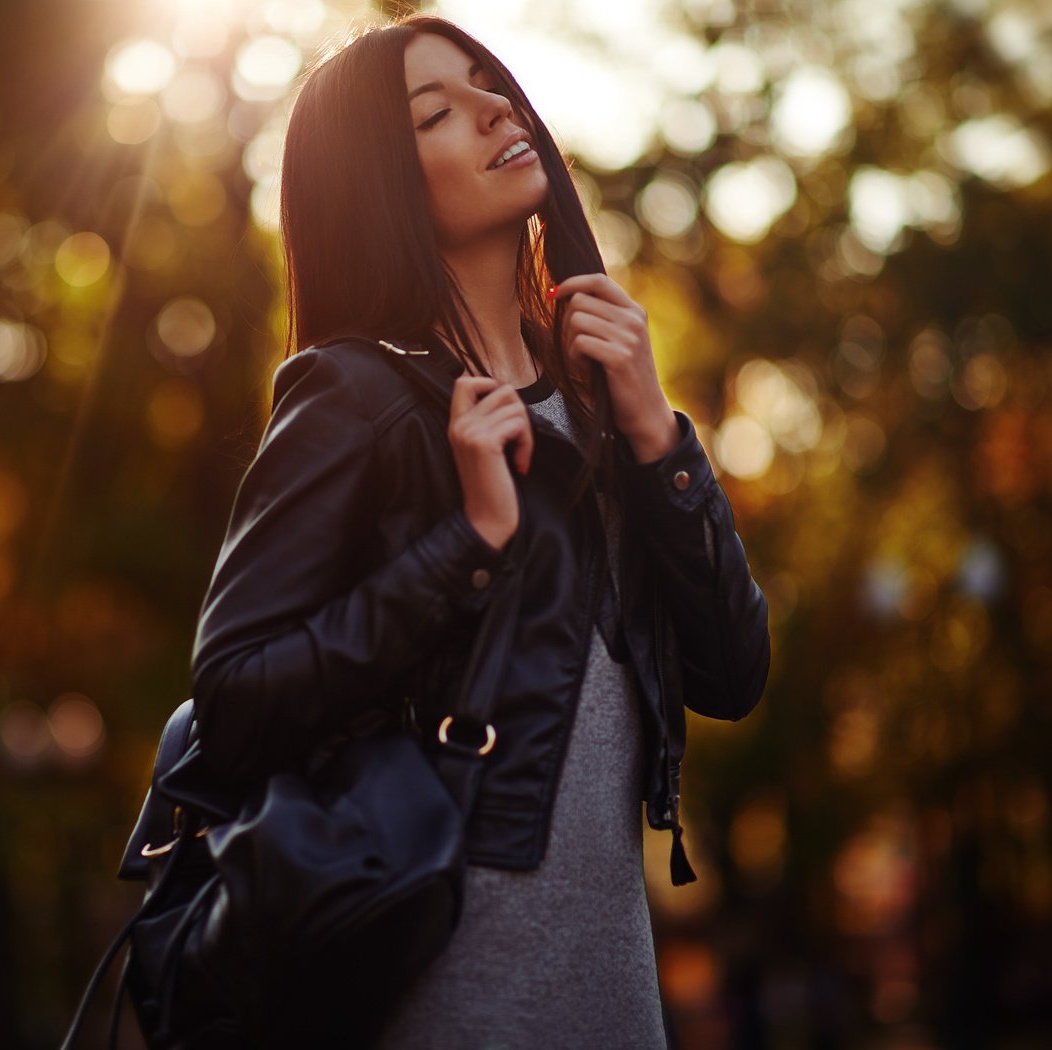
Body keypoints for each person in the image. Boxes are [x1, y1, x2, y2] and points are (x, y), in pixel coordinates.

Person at [187, 13, 770, 1048]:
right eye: (434, 111)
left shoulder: (599, 409)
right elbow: (233, 702)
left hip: (615, 1004)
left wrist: (656, 439)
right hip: (449, 1004)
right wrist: (466, 544)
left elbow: (729, 674)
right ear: (381, 183)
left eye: (485, 81)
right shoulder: (352, 398)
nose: (495, 105)